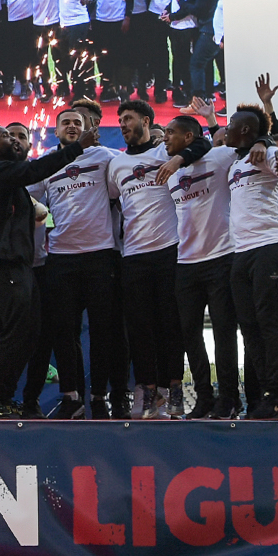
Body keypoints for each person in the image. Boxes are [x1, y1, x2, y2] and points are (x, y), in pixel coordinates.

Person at [0, 121, 89, 419]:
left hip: (18, 264)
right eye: (6, 136)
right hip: (5, 264)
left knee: (29, 333)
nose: (12, 139)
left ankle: (4, 397)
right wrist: (77, 148)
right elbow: (35, 170)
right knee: (15, 332)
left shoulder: (9, 179)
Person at [30, 107, 126, 419]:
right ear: (56, 131)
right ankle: (71, 397)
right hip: (61, 257)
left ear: (87, 129)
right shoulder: (47, 163)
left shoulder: (105, 156)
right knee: (64, 332)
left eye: (77, 123)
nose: (71, 126)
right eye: (65, 123)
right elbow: (25, 194)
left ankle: (100, 396)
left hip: (101, 255)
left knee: (103, 332)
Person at [107, 99, 191, 418]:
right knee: (140, 328)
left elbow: (201, 149)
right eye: (120, 119)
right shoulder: (115, 165)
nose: (123, 124)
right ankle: (148, 393)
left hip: (170, 249)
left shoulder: (165, 154)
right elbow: (114, 203)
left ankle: (175, 392)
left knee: (171, 324)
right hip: (134, 256)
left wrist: (180, 155)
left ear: (146, 120)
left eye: (128, 118)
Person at [160, 112, 240, 418]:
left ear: (189, 138)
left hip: (222, 257)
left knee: (223, 332)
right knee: (189, 335)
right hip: (186, 262)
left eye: (171, 132)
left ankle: (229, 398)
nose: (165, 137)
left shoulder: (218, 159)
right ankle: (204, 398)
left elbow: (252, 143)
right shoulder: (170, 174)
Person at [225, 103, 278, 420]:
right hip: (241, 251)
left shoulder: (267, 154)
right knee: (248, 325)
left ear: (245, 130)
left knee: (269, 323)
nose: (225, 129)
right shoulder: (235, 162)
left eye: (230, 124)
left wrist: (277, 155)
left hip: (271, 244)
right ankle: (265, 395)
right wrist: (264, 139)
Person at [85, 0, 135, 101]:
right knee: (103, 56)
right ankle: (108, 87)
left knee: (122, 56)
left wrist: (127, 17)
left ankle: (124, 88)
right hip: (100, 20)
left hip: (119, 19)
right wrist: (91, 18)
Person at [153, 0, 197, 106]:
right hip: (177, 26)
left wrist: (171, 16)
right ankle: (180, 90)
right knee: (178, 60)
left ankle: (189, 94)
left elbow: (189, 6)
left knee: (185, 61)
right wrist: (167, 11)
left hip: (186, 26)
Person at [54, 0, 97, 98]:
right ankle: (66, 87)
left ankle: (81, 92)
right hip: (64, 25)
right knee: (62, 57)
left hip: (78, 25)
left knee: (78, 59)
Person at [184, 0, 224, 102]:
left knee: (196, 63)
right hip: (216, 30)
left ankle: (198, 99)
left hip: (209, 30)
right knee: (206, 62)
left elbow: (198, 10)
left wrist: (182, 3)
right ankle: (208, 94)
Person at [27, 0, 61, 101]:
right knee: (41, 59)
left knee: (59, 57)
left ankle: (63, 86)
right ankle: (46, 89)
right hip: (38, 24)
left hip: (54, 23)